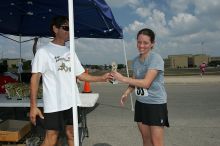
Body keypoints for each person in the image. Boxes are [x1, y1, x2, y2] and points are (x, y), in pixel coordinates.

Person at [29, 16, 111, 146]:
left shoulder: (70, 52)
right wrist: (33, 106)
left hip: (71, 102)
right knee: (52, 137)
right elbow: (35, 78)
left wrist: (102, 77)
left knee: (72, 134)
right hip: (54, 103)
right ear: (55, 29)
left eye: (70, 29)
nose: (69, 31)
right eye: (65, 28)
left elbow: (81, 75)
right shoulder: (43, 51)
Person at [111, 28, 169, 146]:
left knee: (156, 142)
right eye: (139, 42)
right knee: (146, 140)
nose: (141, 45)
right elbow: (134, 81)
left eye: (145, 43)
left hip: (156, 104)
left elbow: (146, 83)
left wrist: (122, 78)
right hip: (141, 104)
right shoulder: (135, 60)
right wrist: (126, 93)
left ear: (152, 44)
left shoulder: (156, 58)